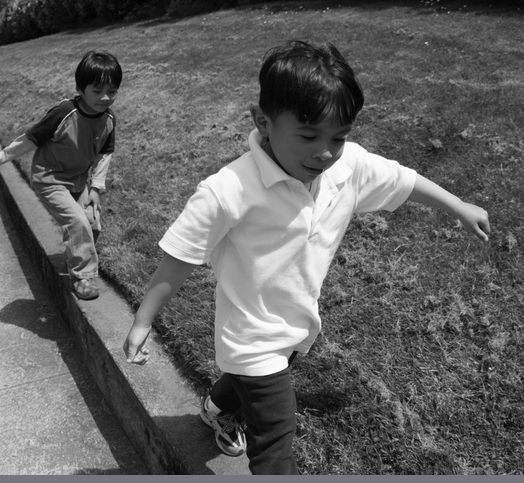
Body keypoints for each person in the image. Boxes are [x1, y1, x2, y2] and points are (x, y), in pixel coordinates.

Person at [122, 40, 490, 474]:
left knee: (264, 375)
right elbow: (180, 257)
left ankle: (216, 407)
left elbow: (402, 181)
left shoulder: (346, 167)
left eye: (338, 136)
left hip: (298, 324)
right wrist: (144, 321)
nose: (325, 151)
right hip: (251, 336)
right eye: (309, 135)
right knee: (276, 440)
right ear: (263, 122)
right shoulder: (228, 190)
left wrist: (459, 207)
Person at [0, 50, 121, 300]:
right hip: (50, 179)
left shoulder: (108, 118)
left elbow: (106, 152)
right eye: (97, 91)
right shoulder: (64, 113)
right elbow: (32, 138)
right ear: (80, 88)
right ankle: (82, 277)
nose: (105, 98)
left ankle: (75, 257)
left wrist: (95, 187)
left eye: (112, 92)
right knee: (77, 222)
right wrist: (4, 156)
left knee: (92, 224)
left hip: (79, 181)